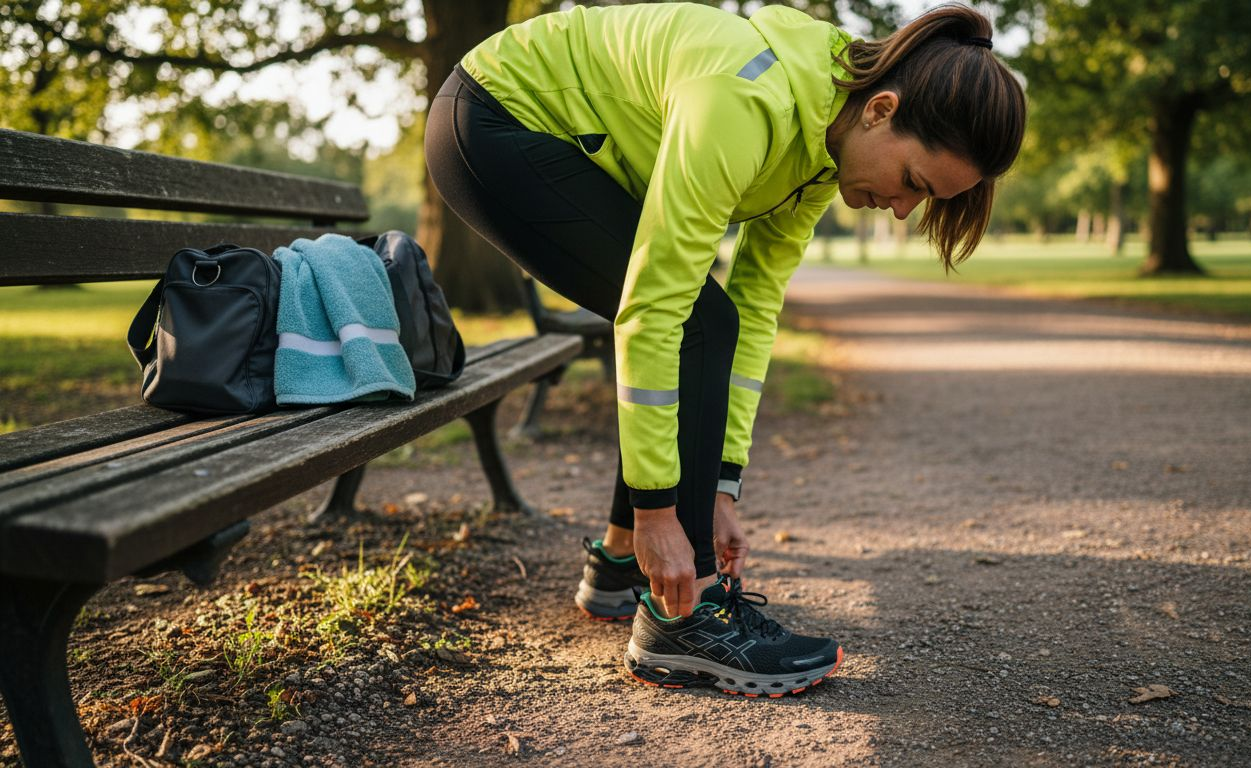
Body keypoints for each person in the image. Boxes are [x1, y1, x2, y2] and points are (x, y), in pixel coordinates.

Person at [424, 1, 1025, 696]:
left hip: (556, 138)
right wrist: (661, 513)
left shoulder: (822, 148)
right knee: (694, 320)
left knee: (717, 320)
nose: (900, 209)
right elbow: (656, 307)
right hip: (497, 116)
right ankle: (688, 618)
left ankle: (623, 564)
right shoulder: (746, 97)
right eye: (915, 183)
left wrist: (719, 489)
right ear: (881, 110)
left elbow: (757, 305)